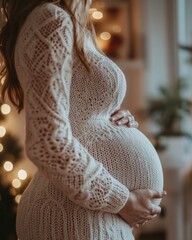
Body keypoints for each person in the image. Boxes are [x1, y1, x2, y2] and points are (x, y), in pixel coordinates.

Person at [0, 0, 167, 239]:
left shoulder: (71, 22)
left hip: (89, 214)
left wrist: (107, 116)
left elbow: (78, 112)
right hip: (70, 217)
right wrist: (123, 201)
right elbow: (47, 142)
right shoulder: (50, 19)